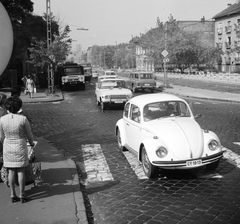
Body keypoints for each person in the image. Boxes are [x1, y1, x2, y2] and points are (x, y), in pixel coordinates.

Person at [0, 96, 35, 203]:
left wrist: (4, 145)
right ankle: (22, 195)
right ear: (18, 107)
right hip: (20, 146)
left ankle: (12, 195)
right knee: (21, 171)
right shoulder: (22, 119)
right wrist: (32, 144)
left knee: (11, 171)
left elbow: (1, 136)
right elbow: (29, 135)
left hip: (8, 146)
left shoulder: (2, 119)